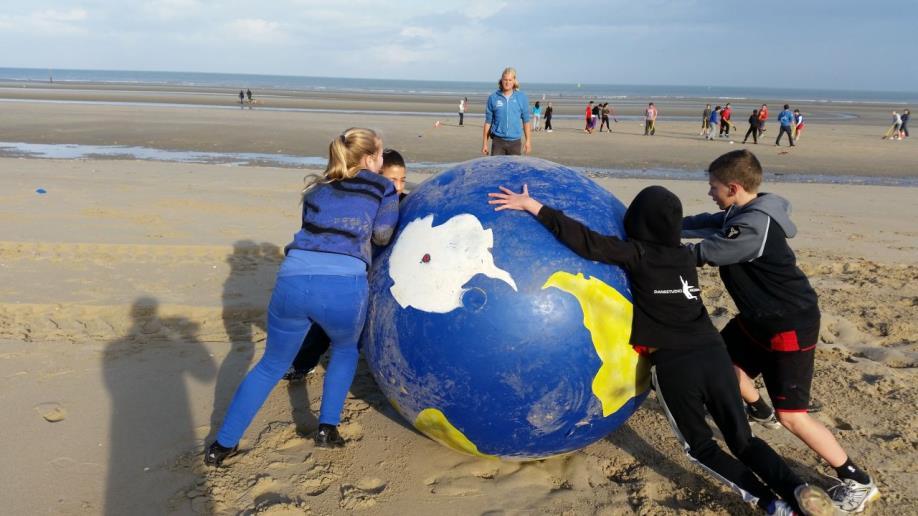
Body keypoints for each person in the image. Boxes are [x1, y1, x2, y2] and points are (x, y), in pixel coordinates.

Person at [488, 184, 835, 516]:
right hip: (714, 353)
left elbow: (587, 243)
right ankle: (794, 487)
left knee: (701, 448)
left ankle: (772, 505)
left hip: (676, 363)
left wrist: (534, 207)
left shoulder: (638, 255)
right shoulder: (686, 257)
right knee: (743, 440)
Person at [682, 150, 880, 514]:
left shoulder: (753, 227)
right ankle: (759, 411)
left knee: (793, 416)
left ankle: (857, 480)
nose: (710, 192)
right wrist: (660, 227)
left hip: (788, 324)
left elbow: (708, 251)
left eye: (713, 187)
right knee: (721, 363)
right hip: (757, 317)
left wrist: (652, 253)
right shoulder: (739, 212)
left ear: (733, 187)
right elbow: (705, 223)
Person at [205, 128, 399, 465]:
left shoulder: (315, 189)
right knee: (345, 350)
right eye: (380, 156)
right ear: (369, 159)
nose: (382, 163)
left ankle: (222, 445)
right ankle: (327, 428)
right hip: (342, 287)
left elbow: (318, 234)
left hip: (292, 281)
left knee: (270, 365)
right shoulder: (382, 186)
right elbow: (382, 235)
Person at [283, 148, 409, 381]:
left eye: (403, 180)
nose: (399, 186)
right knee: (324, 325)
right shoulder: (362, 204)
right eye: (392, 180)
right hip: (353, 273)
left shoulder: (405, 204)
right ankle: (303, 364)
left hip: (387, 276)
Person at [482, 67, 532, 155]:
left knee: (513, 168)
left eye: (510, 80)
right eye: (505, 79)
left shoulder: (521, 97)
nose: (507, 82)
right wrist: (485, 144)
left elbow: (526, 121)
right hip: (498, 141)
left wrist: (528, 141)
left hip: (515, 142)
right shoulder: (493, 98)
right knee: (497, 168)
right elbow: (488, 123)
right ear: (501, 80)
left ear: (514, 81)